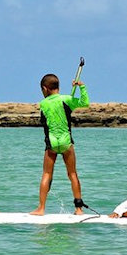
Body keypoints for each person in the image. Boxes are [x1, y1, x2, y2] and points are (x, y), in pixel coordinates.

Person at [30, 73, 89, 216]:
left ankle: (41, 208)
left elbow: (45, 123)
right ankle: (79, 209)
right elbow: (85, 102)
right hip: (66, 142)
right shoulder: (67, 99)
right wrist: (81, 87)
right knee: (72, 173)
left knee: (47, 174)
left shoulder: (43, 104)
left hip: (51, 143)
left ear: (45, 88)